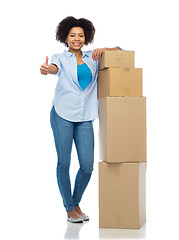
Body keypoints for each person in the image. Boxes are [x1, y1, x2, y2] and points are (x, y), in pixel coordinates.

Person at [40, 16, 123, 223]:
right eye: (72, 35)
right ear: (65, 38)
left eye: (80, 35)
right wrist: (46, 69)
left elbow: (120, 51)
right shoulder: (60, 57)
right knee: (64, 162)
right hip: (62, 114)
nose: (76, 39)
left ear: (86, 37)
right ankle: (69, 209)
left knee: (87, 165)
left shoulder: (92, 57)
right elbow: (53, 69)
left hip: (85, 116)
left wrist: (104, 49)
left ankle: (75, 203)